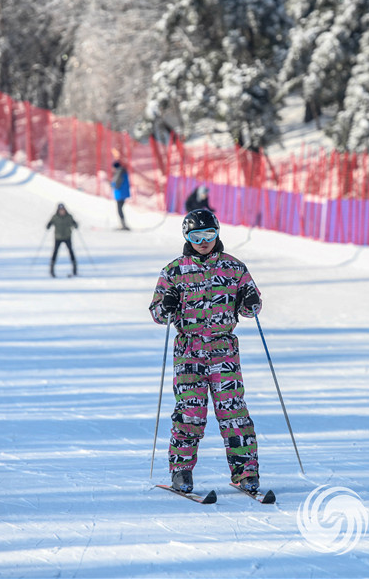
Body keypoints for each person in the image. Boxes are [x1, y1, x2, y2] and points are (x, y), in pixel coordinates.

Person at [149, 208, 263, 494]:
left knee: (233, 411)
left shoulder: (234, 268)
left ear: (217, 233)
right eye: (195, 235)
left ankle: (245, 473)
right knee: (190, 412)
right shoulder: (173, 271)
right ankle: (181, 472)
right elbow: (158, 314)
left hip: (223, 350)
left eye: (208, 234)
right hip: (189, 350)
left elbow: (253, 309)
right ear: (186, 236)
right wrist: (168, 304)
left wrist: (249, 300)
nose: (203, 241)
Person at [46, 203, 78, 278]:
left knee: (71, 252)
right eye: (60, 210)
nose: (62, 211)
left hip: (67, 237)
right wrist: (48, 225)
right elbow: (50, 223)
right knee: (55, 252)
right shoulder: (55, 217)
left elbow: (74, 223)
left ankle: (75, 269)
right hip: (58, 237)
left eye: (63, 210)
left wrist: (75, 225)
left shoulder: (69, 217)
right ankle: (51, 270)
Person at [111, 160, 131, 230]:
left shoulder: (119, 172)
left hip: (120, 194)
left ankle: (123, 225)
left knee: (119, 210)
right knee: (120, 209)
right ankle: (123, 224)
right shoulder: (123, 171)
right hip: (123, 193)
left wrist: (112, 184)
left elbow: (116, 184)